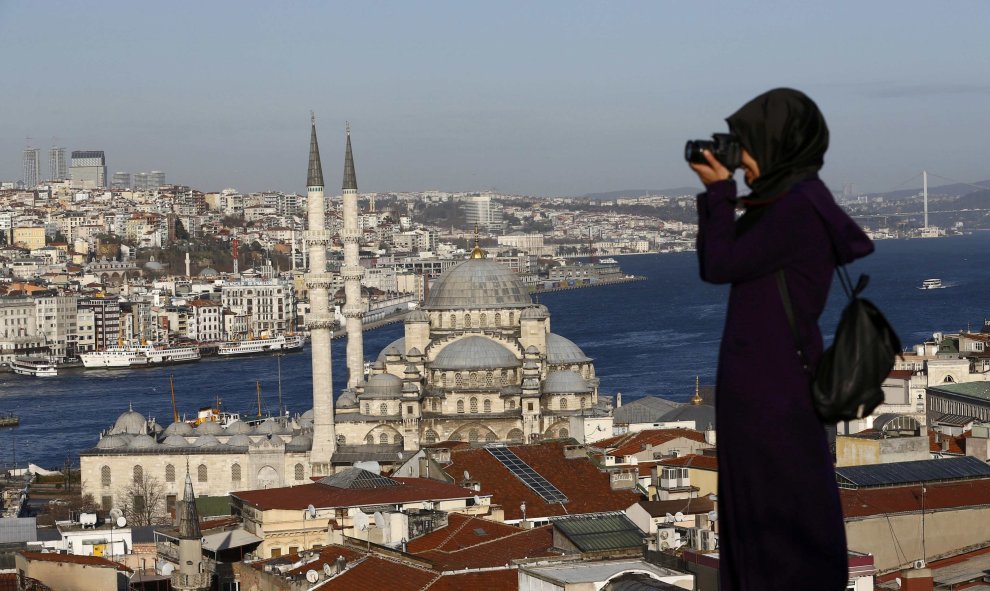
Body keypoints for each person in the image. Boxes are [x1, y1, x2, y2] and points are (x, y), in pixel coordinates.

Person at [688, 88, 873, 589]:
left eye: (748, 144)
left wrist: (719, 191)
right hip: (772, 380)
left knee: (775, 507)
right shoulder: (793, 202)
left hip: (772, 385)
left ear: (778, 143)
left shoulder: (796, 208)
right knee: (770, 503)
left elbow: (720, 264)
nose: (741, 157)